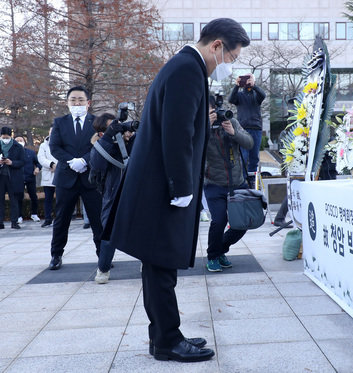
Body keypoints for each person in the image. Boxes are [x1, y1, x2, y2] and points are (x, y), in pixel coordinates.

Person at [103, 18, 250, 363]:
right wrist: (182, 186)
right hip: (163, 185)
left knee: (159, 264)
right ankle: (168, 341)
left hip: (159, 182)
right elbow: (177, 133)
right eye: (229, 57)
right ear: (216, 45)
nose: (227, 66)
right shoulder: (187, 69)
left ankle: (165, 337)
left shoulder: (184, 66)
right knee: (161, 263)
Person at [48, 85, 102, 270]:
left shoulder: (96, 122)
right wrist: (71, 161)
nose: (77, 103)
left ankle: (103, 255)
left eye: (80, 100)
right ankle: (56, 255)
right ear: (67, 103)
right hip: (66, 177)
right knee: (62, 219)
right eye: (73, 100)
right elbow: (54, 147)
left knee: (98, 219)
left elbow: (101, 145)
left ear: (88, 103)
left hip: (91, 177)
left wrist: (85, 161)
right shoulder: (59, 122)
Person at [204, 95, 253, 272]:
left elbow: (249, 143)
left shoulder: (230, 120)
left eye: (213, 111)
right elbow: (191, 147)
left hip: (237, 182)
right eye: (208, 112)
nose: (214, 115)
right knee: (219, 221)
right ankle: (212, 257)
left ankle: (220, 249)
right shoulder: (199, 126)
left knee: (243, 223)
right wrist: (205, 127)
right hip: (213, 183)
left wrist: (234, 132)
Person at [89, 113, 127, 284]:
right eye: (112, 128)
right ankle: (103, 268)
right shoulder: (101, 146)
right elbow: (97, 164)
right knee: (109, 234)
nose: (118, 130)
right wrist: (110, 138)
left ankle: (147, 263)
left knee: (145, 229)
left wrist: (131, 137)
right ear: (103, 132)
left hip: (135, 192)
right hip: (112, 195)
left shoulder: (129, 143)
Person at [228, 73, 266, 184]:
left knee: (254, 156)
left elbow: (263, 95)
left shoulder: (256, 94)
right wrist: (236, 86)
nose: (247, 82)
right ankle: (242, 180)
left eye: (249, 79)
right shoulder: (239, 95)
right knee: (243, 156)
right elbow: (231, 99)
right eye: (245, 80)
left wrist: (254, 85)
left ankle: (252, 179)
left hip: (256, 128)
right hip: (242, 129)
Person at [0, 126, 25, 230]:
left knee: (14, 200)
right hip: (0, 176)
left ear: (11, 136)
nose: (5, 139)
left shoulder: (18, 146)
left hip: (13, 176)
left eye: (7, 137)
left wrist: (12, 163)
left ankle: (14, 222)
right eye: (3, 137)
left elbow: (22, 162)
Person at [15, 136, 42, 223]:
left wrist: (37, 168)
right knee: (19, 197)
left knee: (33, 196)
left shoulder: (31, 152)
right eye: (17, 141)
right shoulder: (12, 153)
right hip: (18, 178)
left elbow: (38, 163)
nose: (19, 142)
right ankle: (19, 215)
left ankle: (34, 214)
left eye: (21, 140)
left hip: (30, 177)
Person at [37, 127, 57, 227]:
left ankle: (61, 218)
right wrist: (51, 164)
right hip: (48, 174)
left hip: (60, 173)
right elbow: (41, 158)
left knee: (62, 198)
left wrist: (58, 166)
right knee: (48, 199)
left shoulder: (63, 143)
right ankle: (48, 219)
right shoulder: (43, 145)